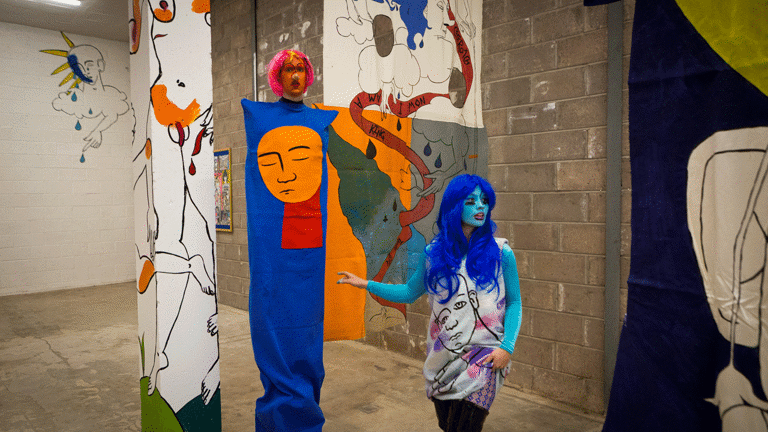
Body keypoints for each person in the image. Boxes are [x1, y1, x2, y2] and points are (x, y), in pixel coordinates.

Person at [337, 174, 522, 432]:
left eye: (484, 200)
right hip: (443, 360)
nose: (480, 206)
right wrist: (366, 283)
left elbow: (515, 303)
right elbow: (408, 293)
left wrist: (507, 347)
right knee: (448, 426)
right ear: (455, 206)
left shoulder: (502, 253)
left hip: (487, 357)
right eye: (471, 201)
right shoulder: (433, 254)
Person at [242, 50, 351, 432]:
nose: (295, 76)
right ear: (277, 76)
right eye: (288, 69)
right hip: (273, 251)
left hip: (307, 248)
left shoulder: (320, 121)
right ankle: (278, 418)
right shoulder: (259, 117)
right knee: (272, 322)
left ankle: (303, 415)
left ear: (309, 76)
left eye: (301, 69)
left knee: (305, 332)